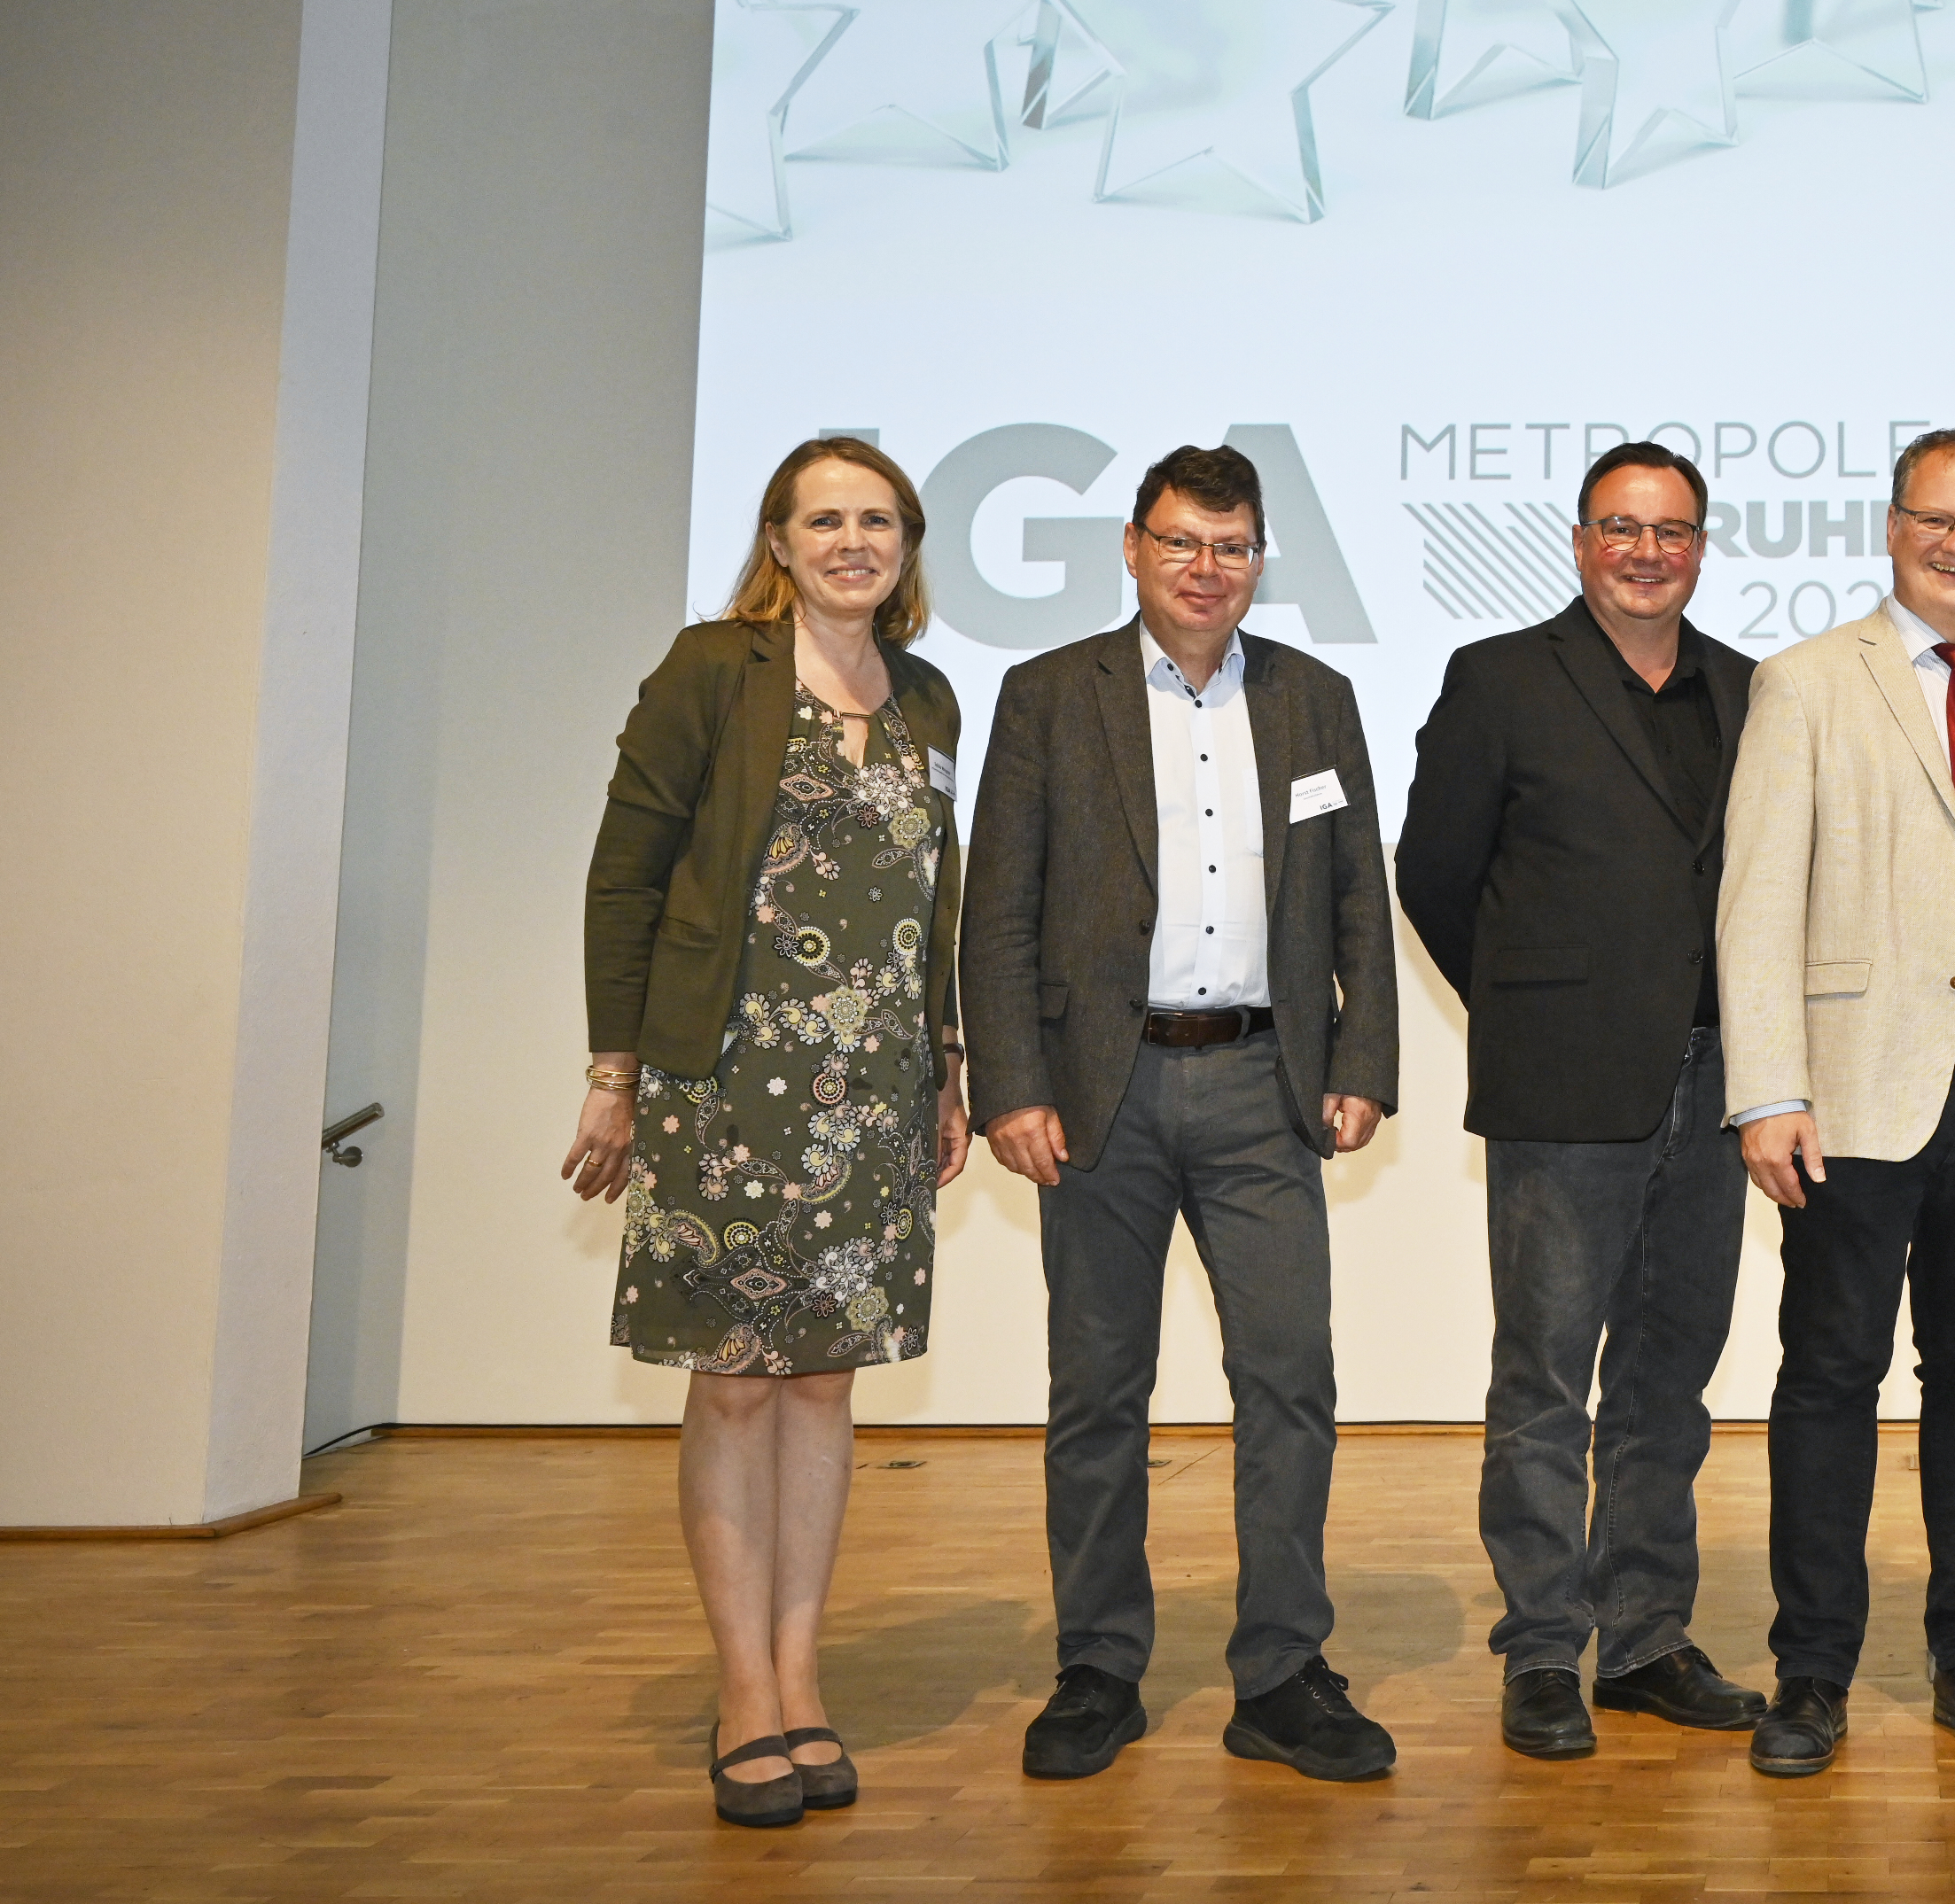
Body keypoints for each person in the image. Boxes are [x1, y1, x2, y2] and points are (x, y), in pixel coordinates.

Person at [962, 443, 1401, 1785]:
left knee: (1291, 1385)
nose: (1206, 570)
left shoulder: (1315, 697)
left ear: (1260, 558)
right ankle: (1096, 1666)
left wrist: (1363, 1058)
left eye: (1232, 547)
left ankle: (1280, 1672)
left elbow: (1353, 900)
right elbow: (1000, 907)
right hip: (1103, 1094)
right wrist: (1014, 1085)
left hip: (1267, 1087)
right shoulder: (1049, 694)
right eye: (1180, 545)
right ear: (1134, 551)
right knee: (1100, 1390)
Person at [565, 436, 971, 1829]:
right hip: (724, 1082)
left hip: (874, 1098)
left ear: (908, 544)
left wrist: (949, 1063)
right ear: (780, 542)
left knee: (825, 1386)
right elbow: (624, 875)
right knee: (734, 1383)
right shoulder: (710, 672)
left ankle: (805, 1672)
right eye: (825, 519)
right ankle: (744, 1686)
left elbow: (935, 907)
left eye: (878, 520)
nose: (853, 540)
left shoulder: (929, 698)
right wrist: (614, 1070)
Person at [1715, 426, 1955, 1778]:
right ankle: (1811, 1675)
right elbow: (1757, 897)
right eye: (1937, 520)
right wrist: (1767, 1089)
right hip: (1853, 1104)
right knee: (1829, 1379)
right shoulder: (1810, 682)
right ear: (1893, 528)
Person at [1396, 440, 1768, 1760]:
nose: (1646, 551)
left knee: (1670, 1379)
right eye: (1622, 527)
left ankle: (1648, 1636)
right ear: (1579, 540)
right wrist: (1534, 1007)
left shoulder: (1745, 688)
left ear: (1702, 548)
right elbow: (1435, 874)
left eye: (1671, 532)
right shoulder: (1499, 678)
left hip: (1721, 1083)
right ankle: (1544, 1649)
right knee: (1545, 1380)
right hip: (1563, 1086)